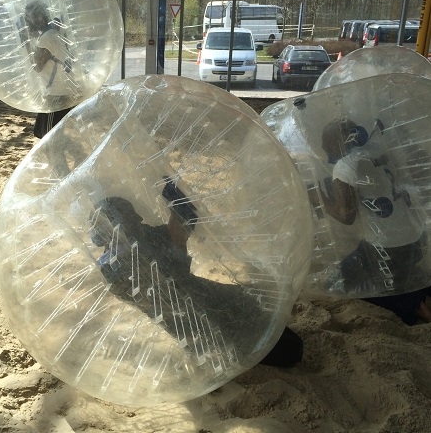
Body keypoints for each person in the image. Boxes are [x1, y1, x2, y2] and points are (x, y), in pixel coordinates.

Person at [89, 178, 304, 368]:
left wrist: (178, 209)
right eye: (129, 219)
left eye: (133, 218)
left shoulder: (142, 237)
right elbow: (168, 289)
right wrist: (177, 217)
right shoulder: (113, 267)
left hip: (204, 296)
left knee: (257, 304)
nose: (138, 220)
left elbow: (178, 235)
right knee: (290, 350)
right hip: (196, 320)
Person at [316, 118, 431, 325]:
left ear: (339, 142)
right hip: (414, 238)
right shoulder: (377, 150)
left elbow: (347, 215)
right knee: (376, 269)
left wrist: (318, 199)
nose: (324, 149)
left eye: (327, 143)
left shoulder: (345, 165)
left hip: (385, 247)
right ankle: (411, 278)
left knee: (338, 284)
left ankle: (414, 305)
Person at [23, 1, 78, 138]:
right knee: (41, 132)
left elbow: (37, 66)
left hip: (56, 95)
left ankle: (61, 159)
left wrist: (25, 44)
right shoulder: (52, 33)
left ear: (36, 18)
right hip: (60, 92)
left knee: (48, 136)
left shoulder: (46, 38)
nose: (27, 23)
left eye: (28, 19)